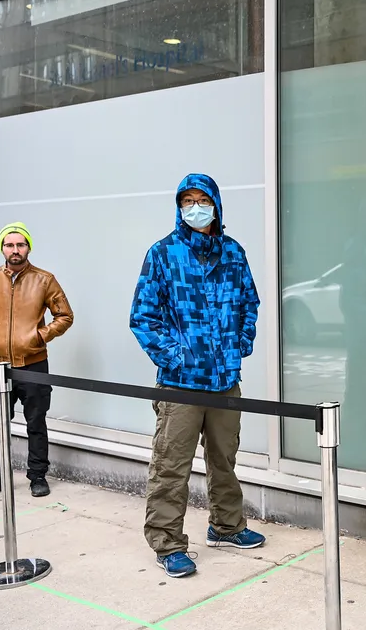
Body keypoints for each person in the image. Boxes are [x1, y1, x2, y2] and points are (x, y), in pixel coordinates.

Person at [130, 173, 265, 579]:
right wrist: (177, 357)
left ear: (216, 204)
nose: (194, 207)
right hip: (180, 384)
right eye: (186, 200)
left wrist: (238, 346)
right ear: (179, 207)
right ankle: (167, 542)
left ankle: (226, 526)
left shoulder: (233, 252)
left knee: (224, 458)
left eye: (201, 199)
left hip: (225, 380)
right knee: (172, 465)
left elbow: (249, 303)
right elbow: (143, 317)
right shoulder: (163, 253)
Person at [0, 222, 74, 500]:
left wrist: (40, 336)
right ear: (2, 248)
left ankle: (37, 476)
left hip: (34, 363)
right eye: (10, 245)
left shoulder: (44, 279)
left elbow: (65, 315)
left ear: (28, 247)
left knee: (36, 423)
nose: (15, 250)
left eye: (20, 244)